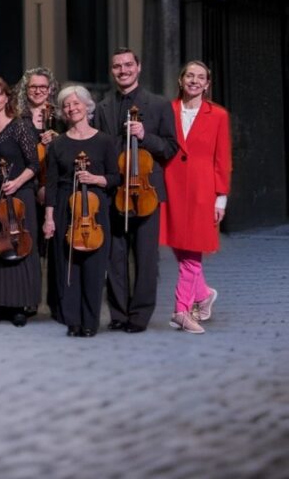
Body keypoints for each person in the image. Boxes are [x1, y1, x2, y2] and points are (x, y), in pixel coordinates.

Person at [92, 49, 178, 333]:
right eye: (117, 66)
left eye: (128, 65)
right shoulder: (103, 107)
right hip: (113, 191)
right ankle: (118, 313)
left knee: (145, 257)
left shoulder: (159, 104)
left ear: (138, 67)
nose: (123, 70)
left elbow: (170, 147)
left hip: (145, 192)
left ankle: (140, 316)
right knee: (114, 257)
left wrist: (145, 136)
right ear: (112, 71)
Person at [160, 61, 232, 334]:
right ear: (181, 80)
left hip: (203, 191)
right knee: (179, 247)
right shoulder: (167, 110)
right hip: (172, 186)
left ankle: (181, 310)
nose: (194, 81)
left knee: (192, 252)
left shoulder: (218, 115)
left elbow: (222, 159)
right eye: (189, 75)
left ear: (207, 84)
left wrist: (220, 198)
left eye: (200, 77)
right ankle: (202, 294)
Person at [44, 85, 119, 337]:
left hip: (95, 209)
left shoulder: (104, 141)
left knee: (94, 268)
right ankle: (72, 321)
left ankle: (90, 322)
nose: (71, 108)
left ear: (87, 106)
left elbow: (115, 177)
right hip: (65, 206)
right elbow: (51, 184)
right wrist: (49, 219)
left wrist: (96, 179)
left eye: (76, 103)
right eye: (66, 105)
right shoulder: (58, 144)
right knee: (68, 266)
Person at [0, 76, 40, 326]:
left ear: (6, 98)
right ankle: (2, 302)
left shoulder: (19, 126)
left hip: (20, 193)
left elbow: (34, 164)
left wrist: (17, 182)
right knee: (0, 246)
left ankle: (20, 305)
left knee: (20, 245)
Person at [17, 66, 61, 319]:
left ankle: (56, 301)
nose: (37, 91)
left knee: (54, 247)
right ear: (26, 89)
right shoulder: (18, 117)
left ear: (50, 89)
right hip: (27, 186)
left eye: (42, 87)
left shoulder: (60, 116)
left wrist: (58, 140)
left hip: (54, 186)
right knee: (30, 245)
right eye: (33, 86)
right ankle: (29, 298)